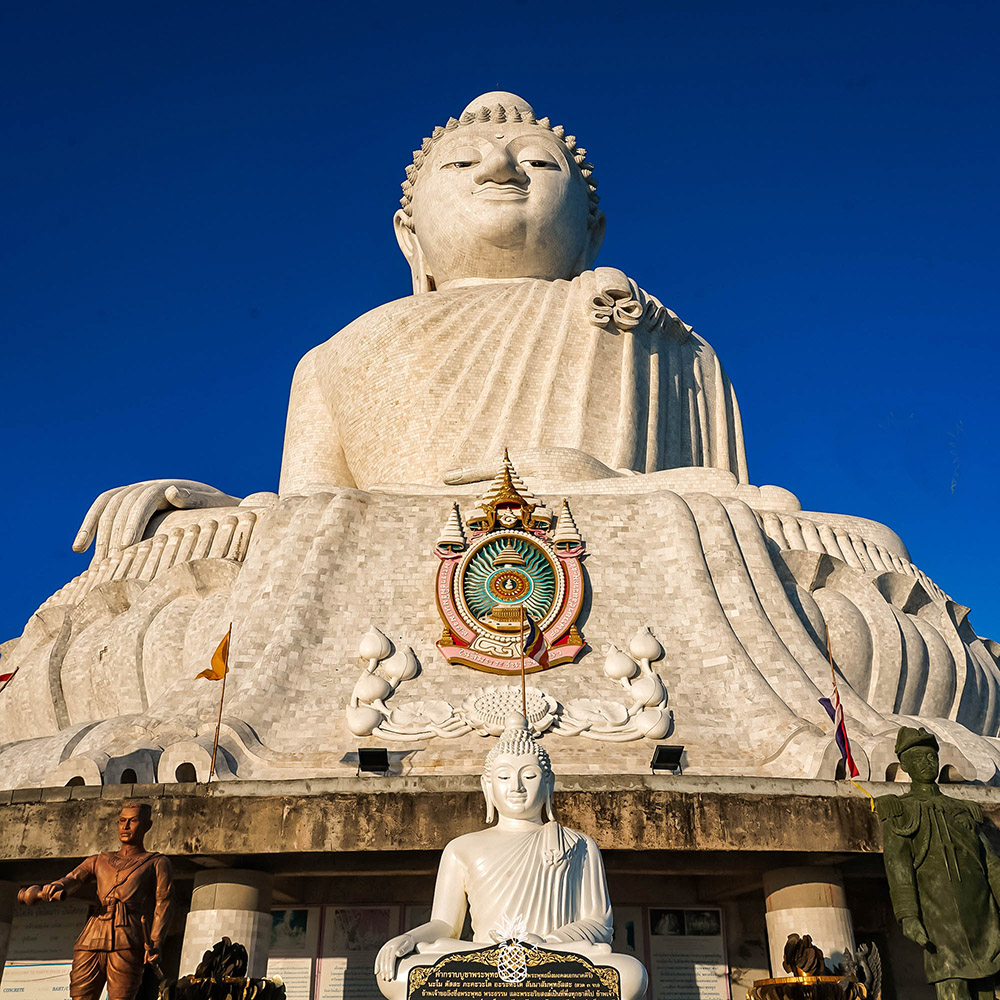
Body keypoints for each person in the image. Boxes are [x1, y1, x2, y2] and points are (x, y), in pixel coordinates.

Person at [373, 714, 647, 1000]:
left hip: (552, 961)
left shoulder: (578, 845)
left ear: (549, 784)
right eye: (503, 777)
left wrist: (546, 943)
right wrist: (409, 938)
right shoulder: (461, 848)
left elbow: (598, 924)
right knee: (400, 973)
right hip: (484, 961)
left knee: (629, 973)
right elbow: (446, 926)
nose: (516, 787)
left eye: (529, 776)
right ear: (487, 786)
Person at [876, 727, 1000, 1000]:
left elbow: (990, 862)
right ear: (905, 765)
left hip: (979, 910)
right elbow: (899, 867)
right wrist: (908, 915)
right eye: (918, 758)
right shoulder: (900, 809)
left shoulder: (962, 808)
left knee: (986, 984)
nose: (927, 763)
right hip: (938, 912)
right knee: (950, 979)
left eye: (931, 757)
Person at [19, 802, 173, 1000]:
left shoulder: (157, 862)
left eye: (132, 821)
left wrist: (157, 942)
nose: (125, 827)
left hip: (127, 936)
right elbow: (74, 878)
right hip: (92, 934)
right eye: (122, 821)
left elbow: (164, 903)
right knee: (80, 995)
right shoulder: (99, 860)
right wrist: (57, 885)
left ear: (147, 826)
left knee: (122, 997)